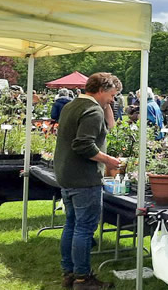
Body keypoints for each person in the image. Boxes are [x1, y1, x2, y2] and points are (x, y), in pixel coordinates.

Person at [54, 72, 122, 289]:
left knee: (72, 225)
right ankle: (83, 278)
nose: (113, 99)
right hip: (84, 177)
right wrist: (109, 160)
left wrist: (106, 105)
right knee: (84, 228)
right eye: (112, 95)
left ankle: (69, 273)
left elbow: (110, 127)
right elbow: (83, 145)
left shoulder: (72, 105)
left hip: (67, 174)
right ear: (102, 90)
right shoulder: (92, 111)